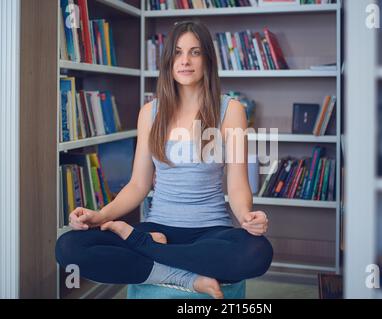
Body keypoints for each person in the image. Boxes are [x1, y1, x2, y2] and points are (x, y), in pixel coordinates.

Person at [55, 20, 273, 299]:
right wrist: (99, 216)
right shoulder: (150, 112)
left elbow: (238, 184)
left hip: (210, 231)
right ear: (168, 61)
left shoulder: (230, 110)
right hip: (158, 225)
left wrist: (247, 218)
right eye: (177, 53)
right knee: (69, 247)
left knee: (257, 252)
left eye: (195, 52)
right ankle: (188, 278)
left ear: (207, 59)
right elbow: (138, 185)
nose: (185, 61)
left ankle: (148, 248)